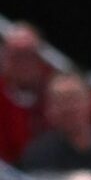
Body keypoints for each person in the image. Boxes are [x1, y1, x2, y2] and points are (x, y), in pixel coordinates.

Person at [16, 74, 91, 177]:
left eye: (74, 99)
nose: (68, 108)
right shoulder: (38, 153)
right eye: (60, 101)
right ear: (49, 109)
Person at [0, 22, 50, 163]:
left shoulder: (56, 92)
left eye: (29, 55)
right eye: (17, 56)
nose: (24, 63)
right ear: (5, 58)